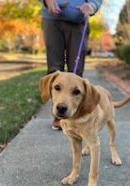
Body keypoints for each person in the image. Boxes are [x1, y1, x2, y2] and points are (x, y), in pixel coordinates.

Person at [40, 0, 103, 130]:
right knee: (54, 68)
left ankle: (75, 114)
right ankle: (59, 115)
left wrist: (92, 5)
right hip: (52, 19)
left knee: (76, 73)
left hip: (78, 20)